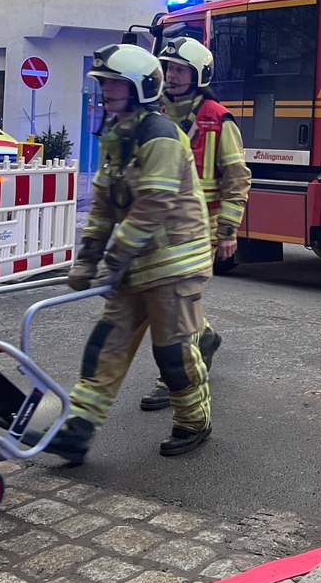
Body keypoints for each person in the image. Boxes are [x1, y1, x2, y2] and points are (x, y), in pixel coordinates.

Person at [24, 44, 214, 464]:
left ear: (140, 88)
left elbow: (153, 205)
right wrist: (86, 259)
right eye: (103, 83)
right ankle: (78, 431)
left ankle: (193, 420)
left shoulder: (161, 136)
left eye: (113, 83)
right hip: (133, 266)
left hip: (173, 265)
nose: (105, 91)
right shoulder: (116, 135)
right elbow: (104, 207)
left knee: (172, 352)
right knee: (104, 345)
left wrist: (112, 260)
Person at [137, 36, 252, 412]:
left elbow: (236, 178)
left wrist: (228, 231)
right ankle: (206, 338)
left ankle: (172, 381)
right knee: (171, 300)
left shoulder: (218, 119)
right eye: (168, 68)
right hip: (158, 226)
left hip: (199, 227)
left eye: (179, 69)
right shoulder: (152, 114)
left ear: (198, 74)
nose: (171, 75)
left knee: (171, 302)